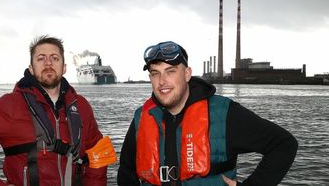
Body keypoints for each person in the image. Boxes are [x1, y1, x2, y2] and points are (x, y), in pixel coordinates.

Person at [117, 41, 298, 186]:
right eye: (155, 73)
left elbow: (284, 145)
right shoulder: (142, 118)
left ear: (187, 74)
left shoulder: (223, 113)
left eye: (170, 71)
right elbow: (126, 172)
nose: (162, 81)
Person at [0, 35, 116, 186]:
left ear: (64, 67)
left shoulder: (82, 106)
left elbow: (97, 154)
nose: (48, 63)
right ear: (31, 68)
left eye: (55, 58)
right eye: (41, 58)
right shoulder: (10, 105)